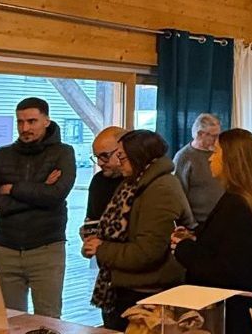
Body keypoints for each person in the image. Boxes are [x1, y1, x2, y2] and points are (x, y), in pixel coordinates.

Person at [83, 130, 194, 331]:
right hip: (122, 286)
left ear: (138, 157)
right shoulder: (133, 183)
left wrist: (102, 248)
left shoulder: (160, 189)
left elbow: (148, 251)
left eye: (122, 157)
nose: (118, 162)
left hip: (148, 293)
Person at [172, 128, 252, 334]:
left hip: (234, 315)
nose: (210, 158)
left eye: (216, 152)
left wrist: (182, 248)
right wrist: (196, 238)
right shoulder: (247, 200)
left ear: (232, 160)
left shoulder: (237, 205)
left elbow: (226, 269)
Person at [0, 97, 76, 319]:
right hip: (6, 248)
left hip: (46, 248)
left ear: (46, 121)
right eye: (20, 122)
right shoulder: (2, 155)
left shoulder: (63, 153)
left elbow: (55, 195)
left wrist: (12, 189)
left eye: (32, 121)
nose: (25, 128)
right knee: (10, 319)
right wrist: (39, 190)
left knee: (48, 319)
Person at [174, 113, 225, 225]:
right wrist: (191, 224)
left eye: (218, 135)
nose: (217, 140)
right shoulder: (183, 157)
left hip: (222, 220)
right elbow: (179, 196)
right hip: (198, 223)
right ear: (200, 134)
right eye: (214, 136)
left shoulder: (220, 154)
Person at [86, 126, 126, 222]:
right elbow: (92, 220)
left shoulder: (140, 181)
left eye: (105, 156)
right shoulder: (98, 180)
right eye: (97, 157)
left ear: (123, 150)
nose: (100, 163)